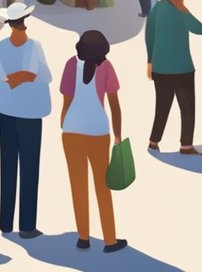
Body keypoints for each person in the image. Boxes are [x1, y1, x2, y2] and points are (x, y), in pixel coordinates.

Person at [59, 30, 127, 253]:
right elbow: (115, 105)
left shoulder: (70, 64)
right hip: (98, 132)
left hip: (71, 132)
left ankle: (83, 237)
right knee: (102, 187)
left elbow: (66, 101)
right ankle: (109, 240)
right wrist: (118, 135)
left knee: (77, 185)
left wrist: (64, 123)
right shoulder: (106, 67)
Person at [0, 3, 52, 239]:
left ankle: (5, 223)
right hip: (30, 113)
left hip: (6, 110)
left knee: (7, 164)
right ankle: (26, 226)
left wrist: (12, 78)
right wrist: (25, 76)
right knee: (29, 168)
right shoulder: (35, 47)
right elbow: (46, 76)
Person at [146, 0, 202, 154]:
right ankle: (186, 145)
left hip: (161, 68)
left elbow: (149, 34)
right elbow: (198, 28)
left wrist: (150, 60)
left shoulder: (158, 7)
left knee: (162, 107)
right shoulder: (181, 11)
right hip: (183, 69)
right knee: (187, 108)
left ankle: (154, 141)